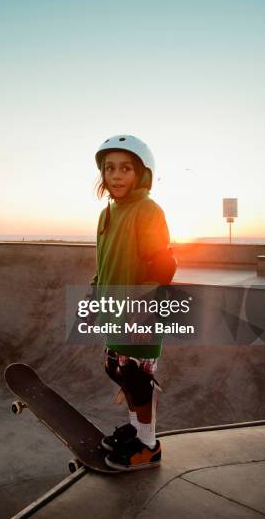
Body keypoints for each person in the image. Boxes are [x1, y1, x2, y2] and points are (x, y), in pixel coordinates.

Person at [91, 134, 176, 471]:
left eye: (125, 168)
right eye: (109, 168)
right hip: (113, 310)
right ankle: (137, 430)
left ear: (143, 173)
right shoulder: (107, 212)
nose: (116, 174)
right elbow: (104, 260)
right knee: (118, 370)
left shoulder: (148, 210)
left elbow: (163, 265)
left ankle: (149, 446)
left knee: (137, 380)